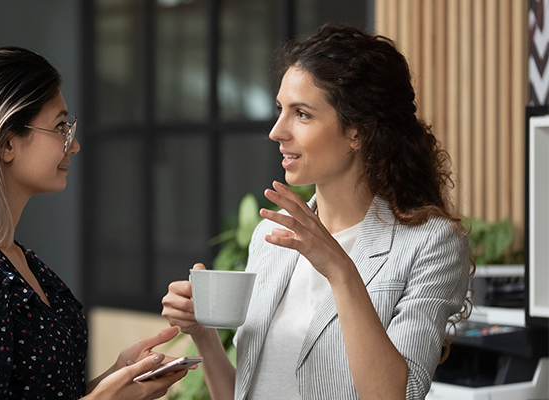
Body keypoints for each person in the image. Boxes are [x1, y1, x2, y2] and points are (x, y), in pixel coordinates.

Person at [161, 23, 472, 400]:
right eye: (280, 110)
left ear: (358, 131)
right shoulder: (271, 237)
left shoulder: (430, 244)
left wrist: (339, 268)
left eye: (302, 114)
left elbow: (396, 395)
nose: (277, 130)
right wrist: (204, 335)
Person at [0, 46, 186, 400]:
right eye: (60, 127)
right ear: (6, 143)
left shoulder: (17, 259)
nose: (74, 144)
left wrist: (118, 377)